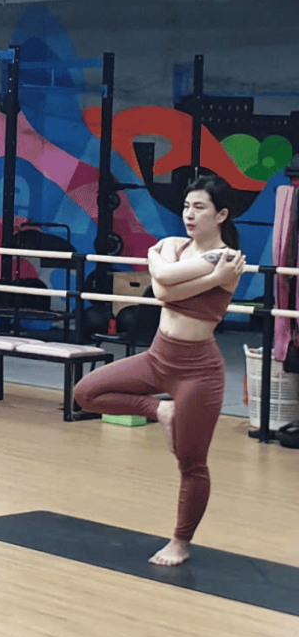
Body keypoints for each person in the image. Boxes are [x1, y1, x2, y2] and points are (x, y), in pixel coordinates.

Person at [73, 174, 246, 566]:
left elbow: (164, 285)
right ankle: (161, 410)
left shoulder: (227, 259)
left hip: (198, 371)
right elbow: (163, 284)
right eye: (186, 206)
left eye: (199, 207)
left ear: (221, 215)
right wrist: (198, 276)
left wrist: (179, 271)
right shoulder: (175, 245)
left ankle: (181, 542)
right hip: (156, 358)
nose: (189, 214)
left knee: (191, 462)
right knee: (85, 393)